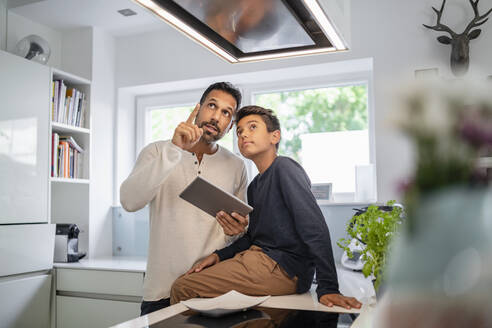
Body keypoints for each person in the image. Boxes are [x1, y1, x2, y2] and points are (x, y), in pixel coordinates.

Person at [170, 105, 362, 310]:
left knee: (183, 287)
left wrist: (328, 287)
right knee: (188, 283)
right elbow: (252, 237)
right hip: (260, 260)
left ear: (275, 136)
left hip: (279, 267)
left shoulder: (284, 168)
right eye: (239, 131)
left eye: (252, 127)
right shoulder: (254, 186)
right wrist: (219, 255)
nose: (243, 134)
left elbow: (314, 227)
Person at [120, 82, 250, 316]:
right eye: (212, 106)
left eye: (226, 113)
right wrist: (174, 149)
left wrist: (236, 230)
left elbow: (238, 232)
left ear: (230, 126)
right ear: (198, 109)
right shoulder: (158, 151)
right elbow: (130, 201)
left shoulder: (236, 166)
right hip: (161, 292)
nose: (216, 117)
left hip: (212, 291)